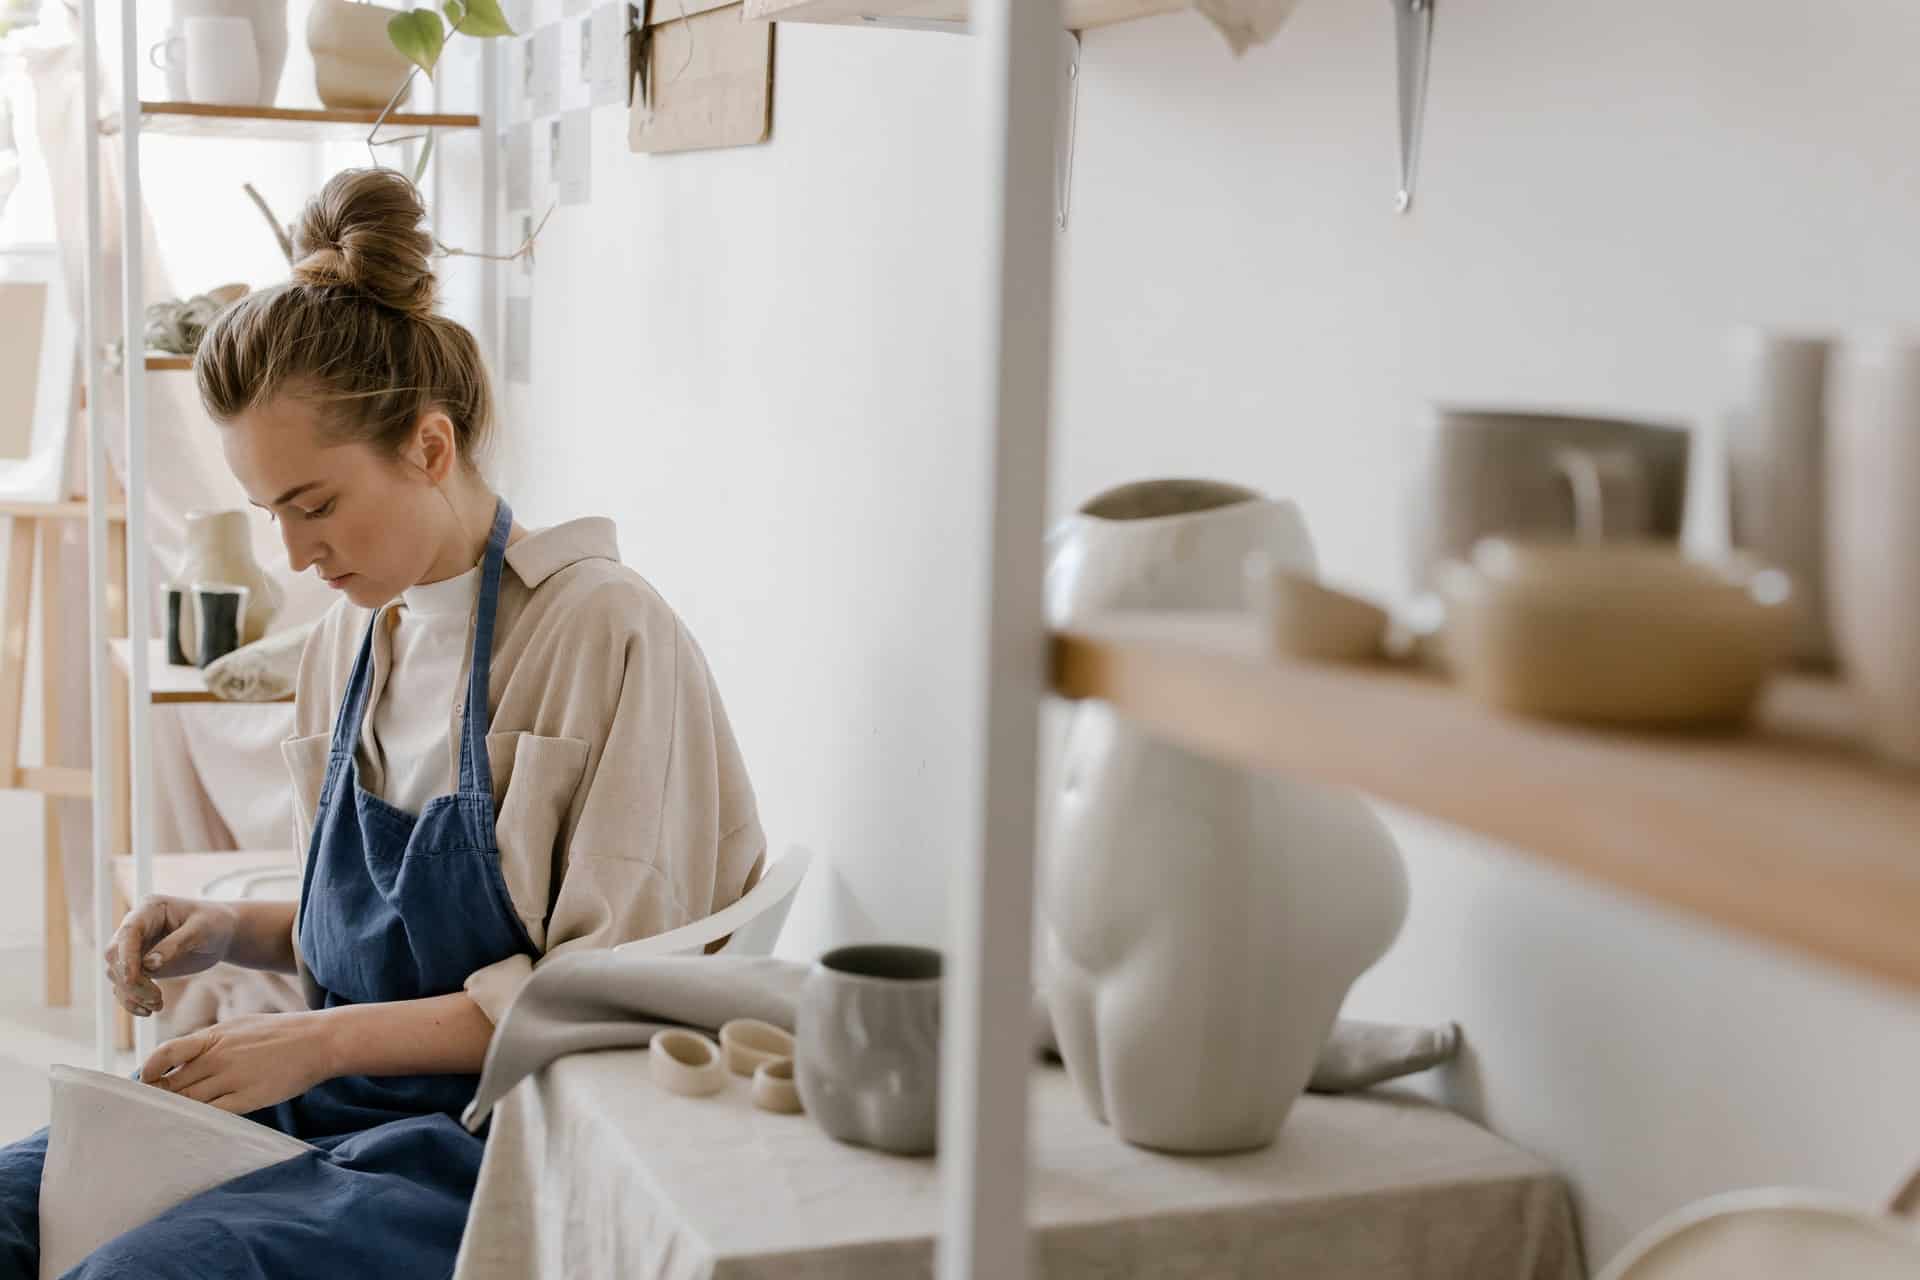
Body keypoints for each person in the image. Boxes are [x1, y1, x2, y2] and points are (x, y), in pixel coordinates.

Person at [0, 166, 766, 1278]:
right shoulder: (347, 644)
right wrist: (234, 930)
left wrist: (314, 1039)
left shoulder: (605, 633)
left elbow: (602, 991)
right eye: (271, 514)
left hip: (489, 1143)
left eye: (314, 505)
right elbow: (394, 938)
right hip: (328, 1108)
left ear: (431, 446)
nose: (294, 552)